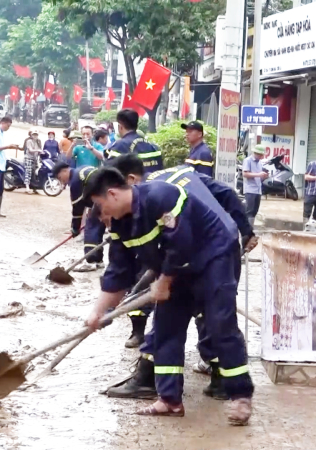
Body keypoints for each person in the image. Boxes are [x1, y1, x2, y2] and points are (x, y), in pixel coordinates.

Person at [83, 167, 254, 425]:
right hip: (176, 270)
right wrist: (99, 311)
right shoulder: (120, 225)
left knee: (219, 324)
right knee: (165, 328)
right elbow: (119, 272)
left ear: (112, 194)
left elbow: (181, 244)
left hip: (213, 256)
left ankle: (240, 396)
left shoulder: (161, 196)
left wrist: (163, 282)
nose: (101, 215)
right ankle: (170, 400)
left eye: (99, 205)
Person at [52, 162, 106, 269]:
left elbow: (77, 208)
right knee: (97, 227)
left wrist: (75, 229)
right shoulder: (81, 170)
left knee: (91, 227)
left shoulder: (75, 180)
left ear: (65, 171)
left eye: (60, 177)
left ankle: (91, 261)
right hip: (107, 195)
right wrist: (91, 207)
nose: (61, 181)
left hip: (102, 198)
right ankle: (98, 260)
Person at [106, 109, 163, 173]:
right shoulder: (153, 147)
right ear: (136, 125)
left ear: (120, 127)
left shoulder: (119, 147)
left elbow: (108, 173)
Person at [242, 144, 268, 225]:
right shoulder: (248, 160)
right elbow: (245, 174)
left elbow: (259, 177)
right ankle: (247, 230)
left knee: (254, 211)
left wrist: (264, 176)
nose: (262, 157)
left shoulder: (260, 163)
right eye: (261, 155)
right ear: (256, 153)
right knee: (249, 211)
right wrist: (259, 174)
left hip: (258, 190)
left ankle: (251, 228)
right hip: (250, 189)